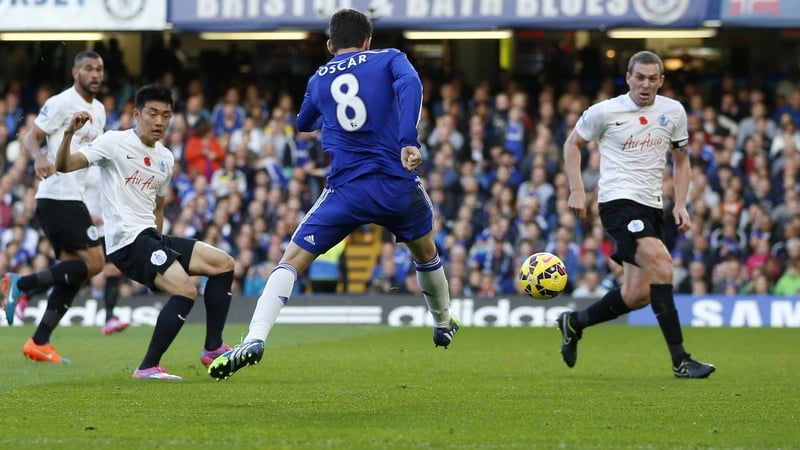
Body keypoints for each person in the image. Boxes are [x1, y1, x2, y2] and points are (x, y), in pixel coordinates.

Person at [207, 8, 458, 381]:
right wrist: (408, 138)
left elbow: (303, 123)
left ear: (329, 45)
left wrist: (324, 104)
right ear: (368, 41)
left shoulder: (319, 78)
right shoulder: (390, 58)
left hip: (346, 190)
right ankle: (442, 322)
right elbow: (411, 84)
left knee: (291, 261)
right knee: (425, 253)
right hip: (395, 183)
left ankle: (256, 337)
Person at [55, 84, 235, 380]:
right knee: (186, 290)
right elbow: (64, 165)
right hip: (126, 241)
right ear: (136, 114)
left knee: (223, 264)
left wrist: (160, 251)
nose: (159, 121)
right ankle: (147, 367)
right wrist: (67, 135)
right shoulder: (114, 142)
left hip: (150, 238)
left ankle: (213, 348)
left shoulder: (166, 158)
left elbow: (158, 208)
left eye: (166, 115)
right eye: (153, 113)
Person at [560, 50, 715, 378]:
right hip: (617, 203)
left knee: (637, 294)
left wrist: (681, 204)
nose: (645, 84)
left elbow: (682, 160)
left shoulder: (673, 111)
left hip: (652, 206)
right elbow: (572, 144)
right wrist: (577, 189)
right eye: (640, 77)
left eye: (652, 79)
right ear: (628, 78)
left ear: (661, 80)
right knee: (662, 264)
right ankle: (681, 360)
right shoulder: (605, 111)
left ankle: (574, 322)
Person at [2, 51, 108, 364]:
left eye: (99, 69)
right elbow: (30, 137)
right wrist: (39, 157)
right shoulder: (61, 102)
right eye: (88, 68)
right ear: (75, 73)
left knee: (73, 274)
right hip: (58, 194)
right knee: (95, 263)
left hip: (75, 196)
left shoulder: (100, 110)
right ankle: (21, 284)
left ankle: (39, 341)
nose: (95, 74)